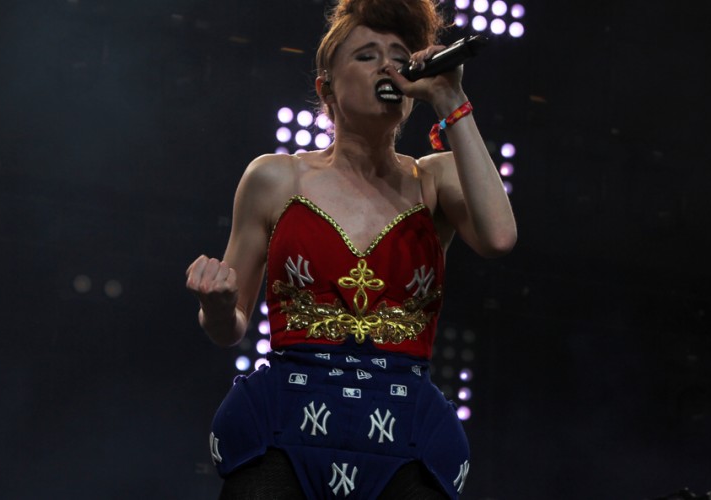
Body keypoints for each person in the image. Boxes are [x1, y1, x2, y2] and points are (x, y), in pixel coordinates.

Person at [185, 0, 516, 497]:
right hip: (286, 424)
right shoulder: (274, 178)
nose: (387, 67)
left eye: (399, 57)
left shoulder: (435, 179)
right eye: (366, 56)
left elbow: (499, 238)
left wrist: (451, 98)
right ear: (326, 89)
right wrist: (215, 305)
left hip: (402, 431)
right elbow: (228, 328)